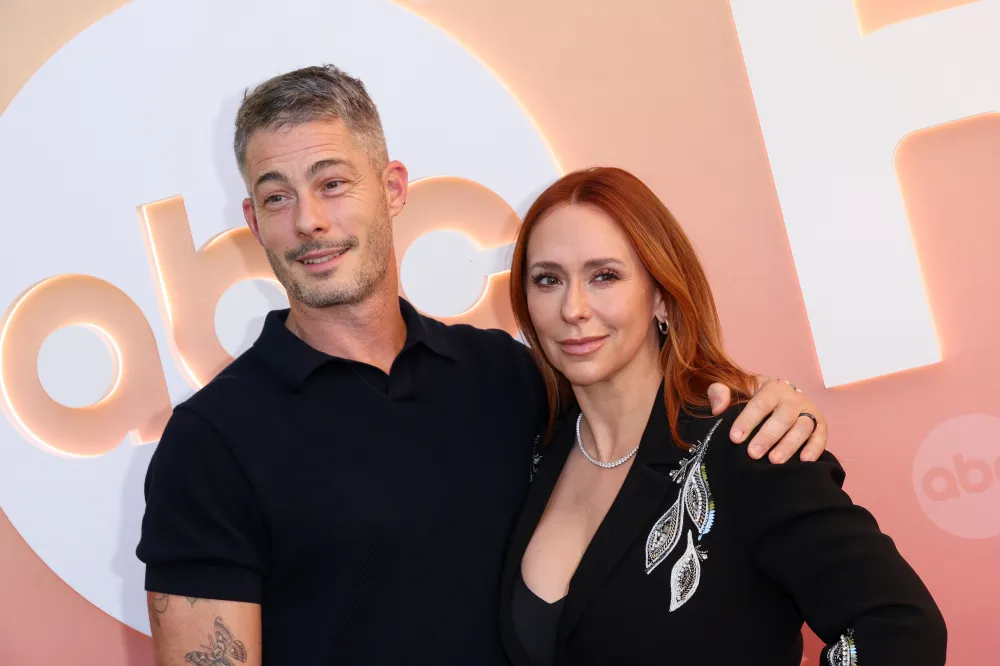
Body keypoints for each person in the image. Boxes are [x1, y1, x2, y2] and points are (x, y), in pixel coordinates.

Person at [135, 65, 829, 666]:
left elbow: (649, 423)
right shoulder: (212, 443)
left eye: (333, 183)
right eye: (277, 197)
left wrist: (766, 403)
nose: (308, 221)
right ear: (254, 221)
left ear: (393, 187)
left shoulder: (508, 376)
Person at [497, 166, 947, 666]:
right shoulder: (535, 450)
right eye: (548, 280)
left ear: (661, 295)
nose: (573, 308)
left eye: (604, 276)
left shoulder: (748, 442)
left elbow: (903, 628)